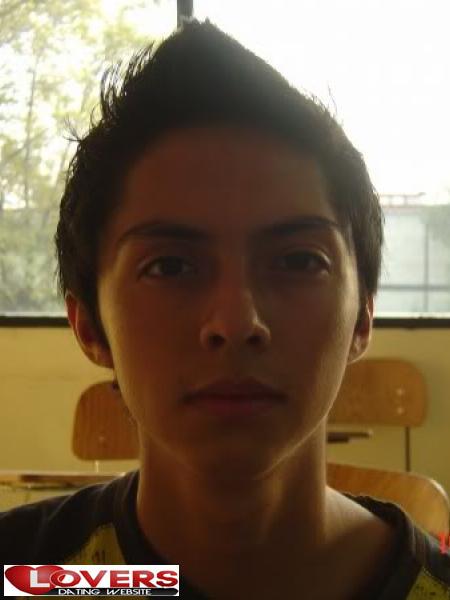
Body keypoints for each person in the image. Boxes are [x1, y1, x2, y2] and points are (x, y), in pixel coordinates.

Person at [1, 19, 449, 599]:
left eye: (298, 261)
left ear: (362, 316)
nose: (236, 323)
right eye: (169, 266)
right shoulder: (31, 579)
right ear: (89, 324)